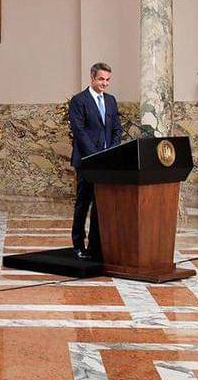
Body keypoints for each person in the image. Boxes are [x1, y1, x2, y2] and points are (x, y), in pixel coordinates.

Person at [68, 62, 122, 260]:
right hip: (87, 162)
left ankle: (95, 245)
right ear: (92, 78)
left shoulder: (111, 100)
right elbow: (79, 132)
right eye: (101, 79)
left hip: (105, 162)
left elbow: (116, 129)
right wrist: (96, 156)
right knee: (83, 203)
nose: (104, 83)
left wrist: (111, 151)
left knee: (101, 204)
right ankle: (78, 244)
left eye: (107, 80)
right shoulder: (79, 101)